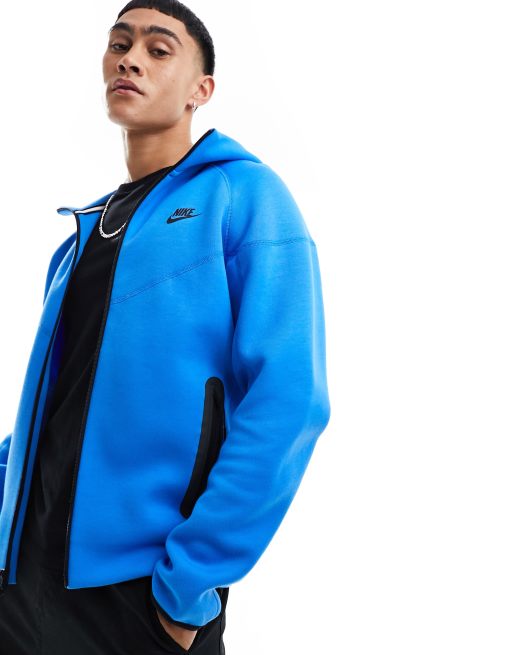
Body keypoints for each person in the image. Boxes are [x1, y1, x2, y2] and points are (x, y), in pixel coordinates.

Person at [0, 1, 331, 653]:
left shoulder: (243, 196)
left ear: (201, 90)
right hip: (22, 580)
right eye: (119, 43)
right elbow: (54, 410)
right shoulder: (80, 239)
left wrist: (188, 586)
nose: (130, 59)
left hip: (141, 593)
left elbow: (289, 399)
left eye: (158, 49)